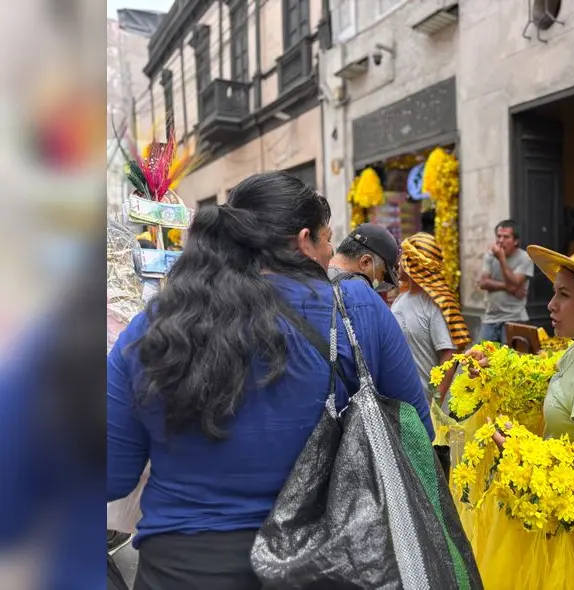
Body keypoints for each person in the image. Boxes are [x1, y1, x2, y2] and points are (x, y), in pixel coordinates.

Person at [107, 171, 432, 589]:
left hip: (182, 569)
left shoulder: (155, 325)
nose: (332, 251)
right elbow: (416, 439)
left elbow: (110, 474)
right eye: (327, 238)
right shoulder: (357, 309)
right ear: (303, 241)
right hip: (326, 564)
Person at [393, 233, 471, 474]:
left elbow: (449, 355)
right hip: (407, 403)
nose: (398, 264)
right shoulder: (402, 298)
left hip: (429, 408)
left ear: (416, 263)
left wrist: (435, 402)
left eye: (404, 258)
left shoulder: (435, 304)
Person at [476, 220, 533, 343]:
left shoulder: (525, 258)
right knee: (482, 358)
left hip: (514, 318)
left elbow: (515, 283)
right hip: (490, 318)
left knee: (509, 359)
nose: (500, 240)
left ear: (516, 241)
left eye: (506, 237)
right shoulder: (490, 256)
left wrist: (501, 258)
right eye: (498, 236)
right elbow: (483, 283)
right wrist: (507, 287)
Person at [328, 222, 401, 293]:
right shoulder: (356, 293)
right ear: (365, 262)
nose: (380, 282)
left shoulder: (319, 273)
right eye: (383, 275)